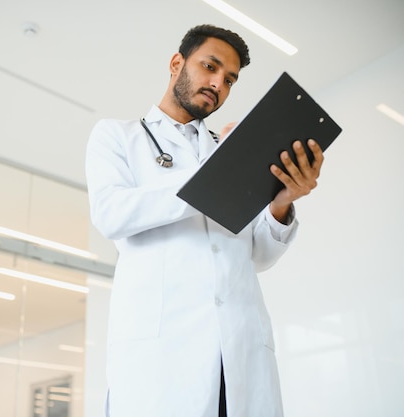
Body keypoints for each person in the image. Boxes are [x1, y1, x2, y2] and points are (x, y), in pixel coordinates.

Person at [85, 24, 324, 417]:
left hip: (239, 355)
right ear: (177, 62)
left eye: (229, 80)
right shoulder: (117, 137)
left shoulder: (227, 149)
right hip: (163, 360)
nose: (218, 84)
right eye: (209, 67)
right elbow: (112, 214)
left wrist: (282, 202)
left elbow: (257, 256)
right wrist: (214, 172)